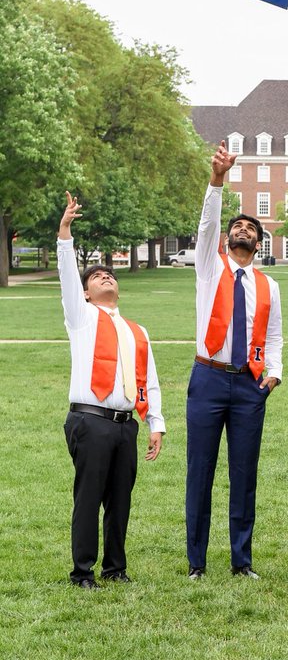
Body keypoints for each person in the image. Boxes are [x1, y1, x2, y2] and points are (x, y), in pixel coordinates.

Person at [185, 141, 283, 580]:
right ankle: (197, 562)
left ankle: (242, 562)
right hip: (207, 378)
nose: (243, 230)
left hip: (248, 385)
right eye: (237, 225)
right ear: (228, 238)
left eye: (251, 228)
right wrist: (217, 180)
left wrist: (274, 372)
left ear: (259, 243)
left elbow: (276, 334)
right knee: (200, 471)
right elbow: (206, 226)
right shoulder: (210, 266)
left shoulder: (269, 285)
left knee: (244, 475)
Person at [58, 192, 165, 589]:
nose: (106, 278)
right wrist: (65, 232)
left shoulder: (137, 331)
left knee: (120, 500)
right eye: (97, 277)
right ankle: (82, 571)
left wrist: (155, 422)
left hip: (125, 424)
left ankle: (115, 568)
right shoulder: (81, 317)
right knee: (89, 497)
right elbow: (68, 276)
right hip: (90, 420)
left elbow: (148, 378)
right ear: (86, 292)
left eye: (110, 276)